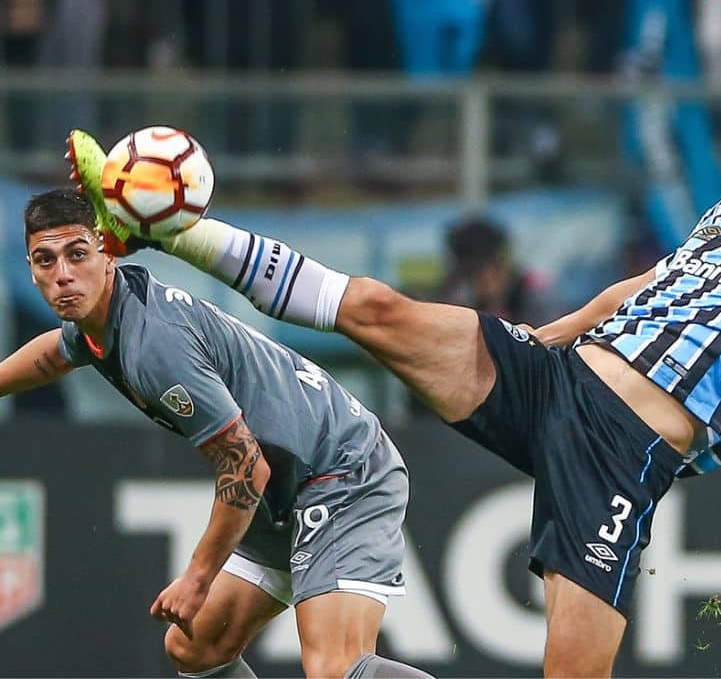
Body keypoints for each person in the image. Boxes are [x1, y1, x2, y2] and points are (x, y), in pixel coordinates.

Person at [70, 77, 721, 677]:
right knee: (376, 307)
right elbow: (653, 279)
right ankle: (171, 227)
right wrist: (562, 326)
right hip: (557, 380)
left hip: (618, 456)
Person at [1, 188, 431, 679]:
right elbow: (56, 352)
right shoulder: (103, 315)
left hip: (341, 470)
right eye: (44, 260)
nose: (62, 275)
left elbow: (245, 466)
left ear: (107, 255)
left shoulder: (155, 347)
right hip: (285, 487)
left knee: (334, 668)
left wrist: (198, 577)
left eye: (77, 254)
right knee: (196, 648)